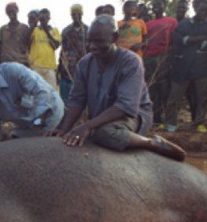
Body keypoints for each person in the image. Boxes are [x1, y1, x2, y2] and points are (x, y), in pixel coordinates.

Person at [45, 15, 186, 162]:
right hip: (103, 117)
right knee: (94, 131)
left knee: (104, 133)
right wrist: (63, 128)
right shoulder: (84, 64)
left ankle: (151, 143)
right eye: (90, 41)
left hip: (132, 116)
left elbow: (125, 106)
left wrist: (88, 126)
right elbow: (77, 100)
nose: (92, 46)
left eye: (99, 41)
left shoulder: (131, 62)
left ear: (115, 37)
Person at [0, 48, 64, 146]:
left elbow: (43, 92)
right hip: (27, 127)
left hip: (51, 117)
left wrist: (39, 121)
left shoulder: (14, 71)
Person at [164, 0, 207, 133]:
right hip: (183, 66)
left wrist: (195, 41)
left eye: (206, 11)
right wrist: (196, 39)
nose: (204, 13)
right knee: (174, 96)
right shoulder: (184, 24)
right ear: (195, 8)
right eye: (201, 10)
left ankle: (199, 122)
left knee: (202, 97)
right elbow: (177, 39)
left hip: (202, 67)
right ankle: (170, 123)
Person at [144, 0, 178, 128]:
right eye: (154, 4)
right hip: (149, 58)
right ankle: (155, 118)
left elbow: (174, 40)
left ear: (165, 6)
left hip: (163, 57)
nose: (156, 6)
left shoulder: (171, 21)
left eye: (159, 4)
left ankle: (167, 118)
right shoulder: (148, 24)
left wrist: (169, 57)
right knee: (152, 89)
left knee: (164, 88)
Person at [59, 4, 89, 102]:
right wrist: (59, 68)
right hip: (67, 69)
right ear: (71, 16)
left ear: (82, 14)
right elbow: (62, 51)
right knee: (65, 98)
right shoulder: (66, 31)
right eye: (73, 14)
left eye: (78, 14)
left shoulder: (87, 30)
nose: (76, 16)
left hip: (83, 68)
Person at [29, 8, 61, 89]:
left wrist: (47, 31)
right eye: (42, 17)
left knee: (51, 93)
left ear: (49, 18)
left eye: (46, 17)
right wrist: (34, 24)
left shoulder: (54, 30)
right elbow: (27, 42)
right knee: (35, 92)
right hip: (36, 66)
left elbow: (56, 46)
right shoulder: (35, 30)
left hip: (50, 67)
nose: (44, 19)